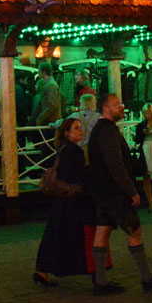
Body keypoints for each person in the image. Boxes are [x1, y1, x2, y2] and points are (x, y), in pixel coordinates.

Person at [86, 94, 152, 295]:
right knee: (134, 230)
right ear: (106, 108)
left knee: (103, 230)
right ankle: (146, 278)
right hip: (115, 192)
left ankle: (100, 280)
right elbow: (115, 164)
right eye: (118, 105)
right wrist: (131, 191)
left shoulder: (101, 131)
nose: (122, 107)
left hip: (103, 191)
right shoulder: (107, 132)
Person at [33, 118, 93, 286]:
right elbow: (75, 174)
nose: (80, 131)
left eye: (81, 128)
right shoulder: (74, 151)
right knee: (64, 235)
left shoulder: (63, 149)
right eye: (76, 128)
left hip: (62, 199)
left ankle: (42, 269)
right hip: (70, 198)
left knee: (54, 234)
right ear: (67, 133)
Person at [133, 104, 152, 211]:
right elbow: (137, 140)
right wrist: (143, 133)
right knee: (146, 176)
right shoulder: (141, 125)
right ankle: (151, 202)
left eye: (149, 112)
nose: (148, 115)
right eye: (145, 113)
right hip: (145, 149)